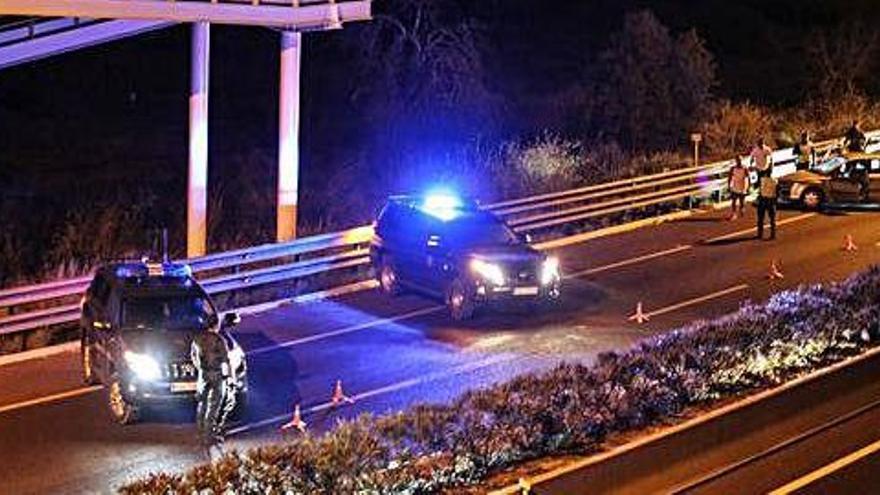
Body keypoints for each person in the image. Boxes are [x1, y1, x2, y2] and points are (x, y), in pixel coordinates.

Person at [191, 330, 236, 449]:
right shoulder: (218, 339)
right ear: (215, 325)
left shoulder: (197, 338)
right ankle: (209, 436)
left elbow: (193, 356)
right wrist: (230, 378)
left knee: (202, 403)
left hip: (203, 375)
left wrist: (200, 369)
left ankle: (200, 432)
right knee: (214, 405)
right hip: (216, 374)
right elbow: (226, 359)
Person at [756, 166, 778, 240]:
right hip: (771, 200)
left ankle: (760, 233)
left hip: (763, 200)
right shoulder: (774, 181)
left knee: (760, 218)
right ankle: (773, 234)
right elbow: (777, 192)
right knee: (772, 219)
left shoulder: (762, 180)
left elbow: (759, 190)